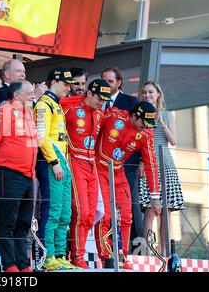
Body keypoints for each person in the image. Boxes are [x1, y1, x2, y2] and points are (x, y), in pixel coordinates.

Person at [94, 101, 160, 269]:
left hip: (118, 171)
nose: (146, 127)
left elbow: (151, 164)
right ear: (135, 115)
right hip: (99, 167)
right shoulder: (113, 115)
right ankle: (106, 257)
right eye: (144, 123)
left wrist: (155, 197)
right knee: (106, 215)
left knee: (126, 215)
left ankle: (121, 256)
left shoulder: (147, 133)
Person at [0, 81, 37, 272]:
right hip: (9, 173)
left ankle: (23, 264)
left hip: (28, 176)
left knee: (23, 222)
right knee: (8, 221)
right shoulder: (3, 112)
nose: (33, 96)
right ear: (16, 95)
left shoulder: (29, 114)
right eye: (29, 93)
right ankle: (9, 264)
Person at [59, 79, 111, 269]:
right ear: (89, 93)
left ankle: (77, 253)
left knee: (91, 214)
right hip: (74, 161)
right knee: (80, 212)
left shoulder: (101, 112)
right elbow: (46, 115)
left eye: (105, 99)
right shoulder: (67, 104)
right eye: (99, 98)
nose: (102, 102)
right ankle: (77, 256)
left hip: (92, 164)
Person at [34, 67, 77, 271]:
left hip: (63, 160)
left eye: (69, 85)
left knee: (65, 213)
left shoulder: (57, 104)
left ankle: (60, 255)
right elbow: (42, 137)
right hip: (52, 161)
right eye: (64, 84)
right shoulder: (44, 104)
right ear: (52, 82)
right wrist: (54, 162)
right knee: (52, 211)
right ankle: (47, 255)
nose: (67, 88)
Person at [139, 81, 185, 254]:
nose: (147, 95)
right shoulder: (140, 114)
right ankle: (146, 252)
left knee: (167, 211)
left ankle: (165, 253)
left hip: (166, 163)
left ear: (158, 94)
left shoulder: (167, 115)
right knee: (149, 210)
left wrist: (161, 122)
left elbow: (173, 141)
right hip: (148, 164)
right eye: (144, 92)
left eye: (150, 92)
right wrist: (142, 162)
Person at [101, 67, 142, 249]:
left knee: (128, 208)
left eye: (110, 81)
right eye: (104, 81)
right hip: (101, 162)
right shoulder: (97, 100)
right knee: (104, 206)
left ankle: (132, 249)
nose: (106, 85)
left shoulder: (130, 101)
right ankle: (106, 246)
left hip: (127, 163)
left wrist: (140, 161)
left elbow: (140, 131)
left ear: (119, 83)